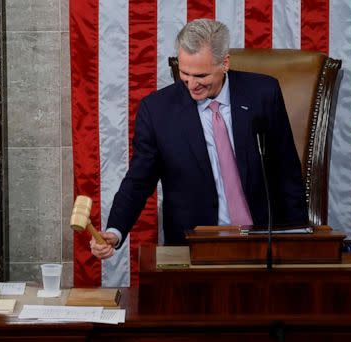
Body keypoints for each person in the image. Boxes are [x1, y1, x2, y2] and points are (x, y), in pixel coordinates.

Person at [91, 19, 307, 259]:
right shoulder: (157, 111)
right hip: (194, 248)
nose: (192, 85)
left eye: (201, 75)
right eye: (184, 73)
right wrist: (115, 230)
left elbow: (287, 172)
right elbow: (139, 180)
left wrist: (298, 241)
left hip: (262, 241)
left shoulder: (263, 94)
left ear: (224, 63)